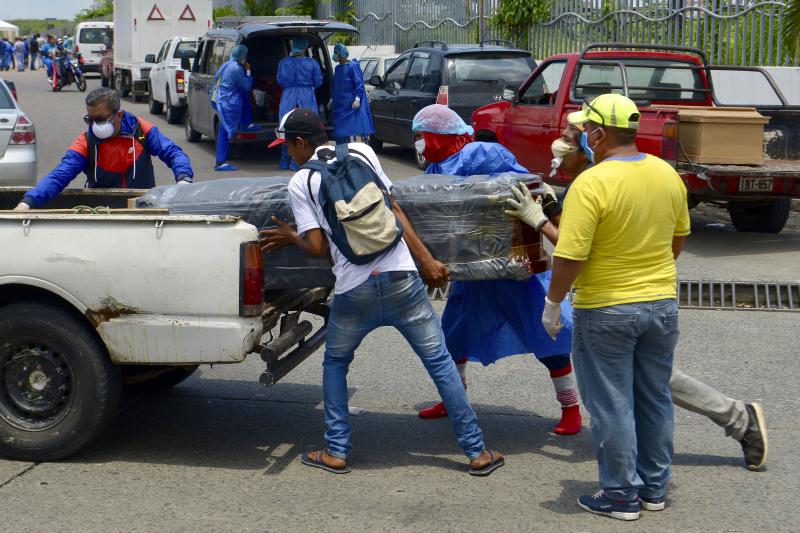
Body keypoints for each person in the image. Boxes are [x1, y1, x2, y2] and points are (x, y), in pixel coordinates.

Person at [261, 108, 504, 476]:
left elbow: (317, 247)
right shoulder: (362, 152)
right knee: (439, 363)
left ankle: (337, 451)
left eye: (287, 146)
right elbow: (394, 209)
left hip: (354, 289)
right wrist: (426, 262)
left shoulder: (301, 182)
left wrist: (289, 237)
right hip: (402, 279)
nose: (287, 154)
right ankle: (477, 453)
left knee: (336, 364)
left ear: (299, 142)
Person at [513, 123, 768, 472]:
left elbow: (576, 251)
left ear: (592, 143)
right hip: (653, 297)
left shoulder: (591, 184)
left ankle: (624, 487)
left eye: (568, 141)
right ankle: (730, 424)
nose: (559, 147)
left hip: (612, 301)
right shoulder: (637, 173)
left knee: (627, 392)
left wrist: (539, 223)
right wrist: (552, 210)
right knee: (654, 380)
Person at [542, 94, 688, 520]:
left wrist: (552, 304)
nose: (580, 138)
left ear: (600, 134)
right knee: (655, 398)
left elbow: (571, 255)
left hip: (606, 308)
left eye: (584, 130)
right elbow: (676, 240)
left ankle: (622, 494)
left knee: (611, 404)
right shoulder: (666, 174)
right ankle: (654, 489)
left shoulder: (592, 183)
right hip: (661, 305)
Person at [410, 105, 583, 436]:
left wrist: (544, 208)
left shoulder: (480, 152)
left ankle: (570, 408)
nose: (419, 143)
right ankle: (453, 399)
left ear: (439, 134)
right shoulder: (436, 164)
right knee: (454, 334)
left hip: (511, 262)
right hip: (472, 266)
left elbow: (525, 181)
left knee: (546, 336)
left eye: (421, 136)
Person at [13, 88, 193, 211]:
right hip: (103, 211)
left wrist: (184, 179)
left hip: (143, 208)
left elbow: (173, 152)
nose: (94, 125)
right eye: (90, 119)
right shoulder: (86, 142)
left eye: (100, 119)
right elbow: (60, 175)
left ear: (119, 114)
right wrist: (27, 203)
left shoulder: (141, 130)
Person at [211, 44, 259, 172]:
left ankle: (221, 160)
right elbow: (246, 86)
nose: (246, 57)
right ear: (241, 56)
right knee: (224, 130)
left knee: (223, 129)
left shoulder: (226, 65)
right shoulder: (236, 68)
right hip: (228, 101)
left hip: (222, 99)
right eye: (245, 55)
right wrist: (248, 72)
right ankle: (220, 162)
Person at [276, 37, 322, 170]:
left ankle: (284, 161)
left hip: (288, 96)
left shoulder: (284, 63)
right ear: (304, 47)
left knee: (286, 127)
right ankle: (300, 162)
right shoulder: (312, 63)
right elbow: (318, 81)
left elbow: (280, 80)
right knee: (306, 128)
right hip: (306, 96)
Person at [330, 43, 375, 145]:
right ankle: (342, 153)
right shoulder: (337, 68)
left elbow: (359, 84)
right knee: (340, 132)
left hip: (350, 106)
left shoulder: (352, 67)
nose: (335, 55)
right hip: (339, 106)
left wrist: (357, 99)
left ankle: (354, 151)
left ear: (341, 54)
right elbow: (337, 86)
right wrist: (332, 99)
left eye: (336, 53)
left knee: (352, 129)